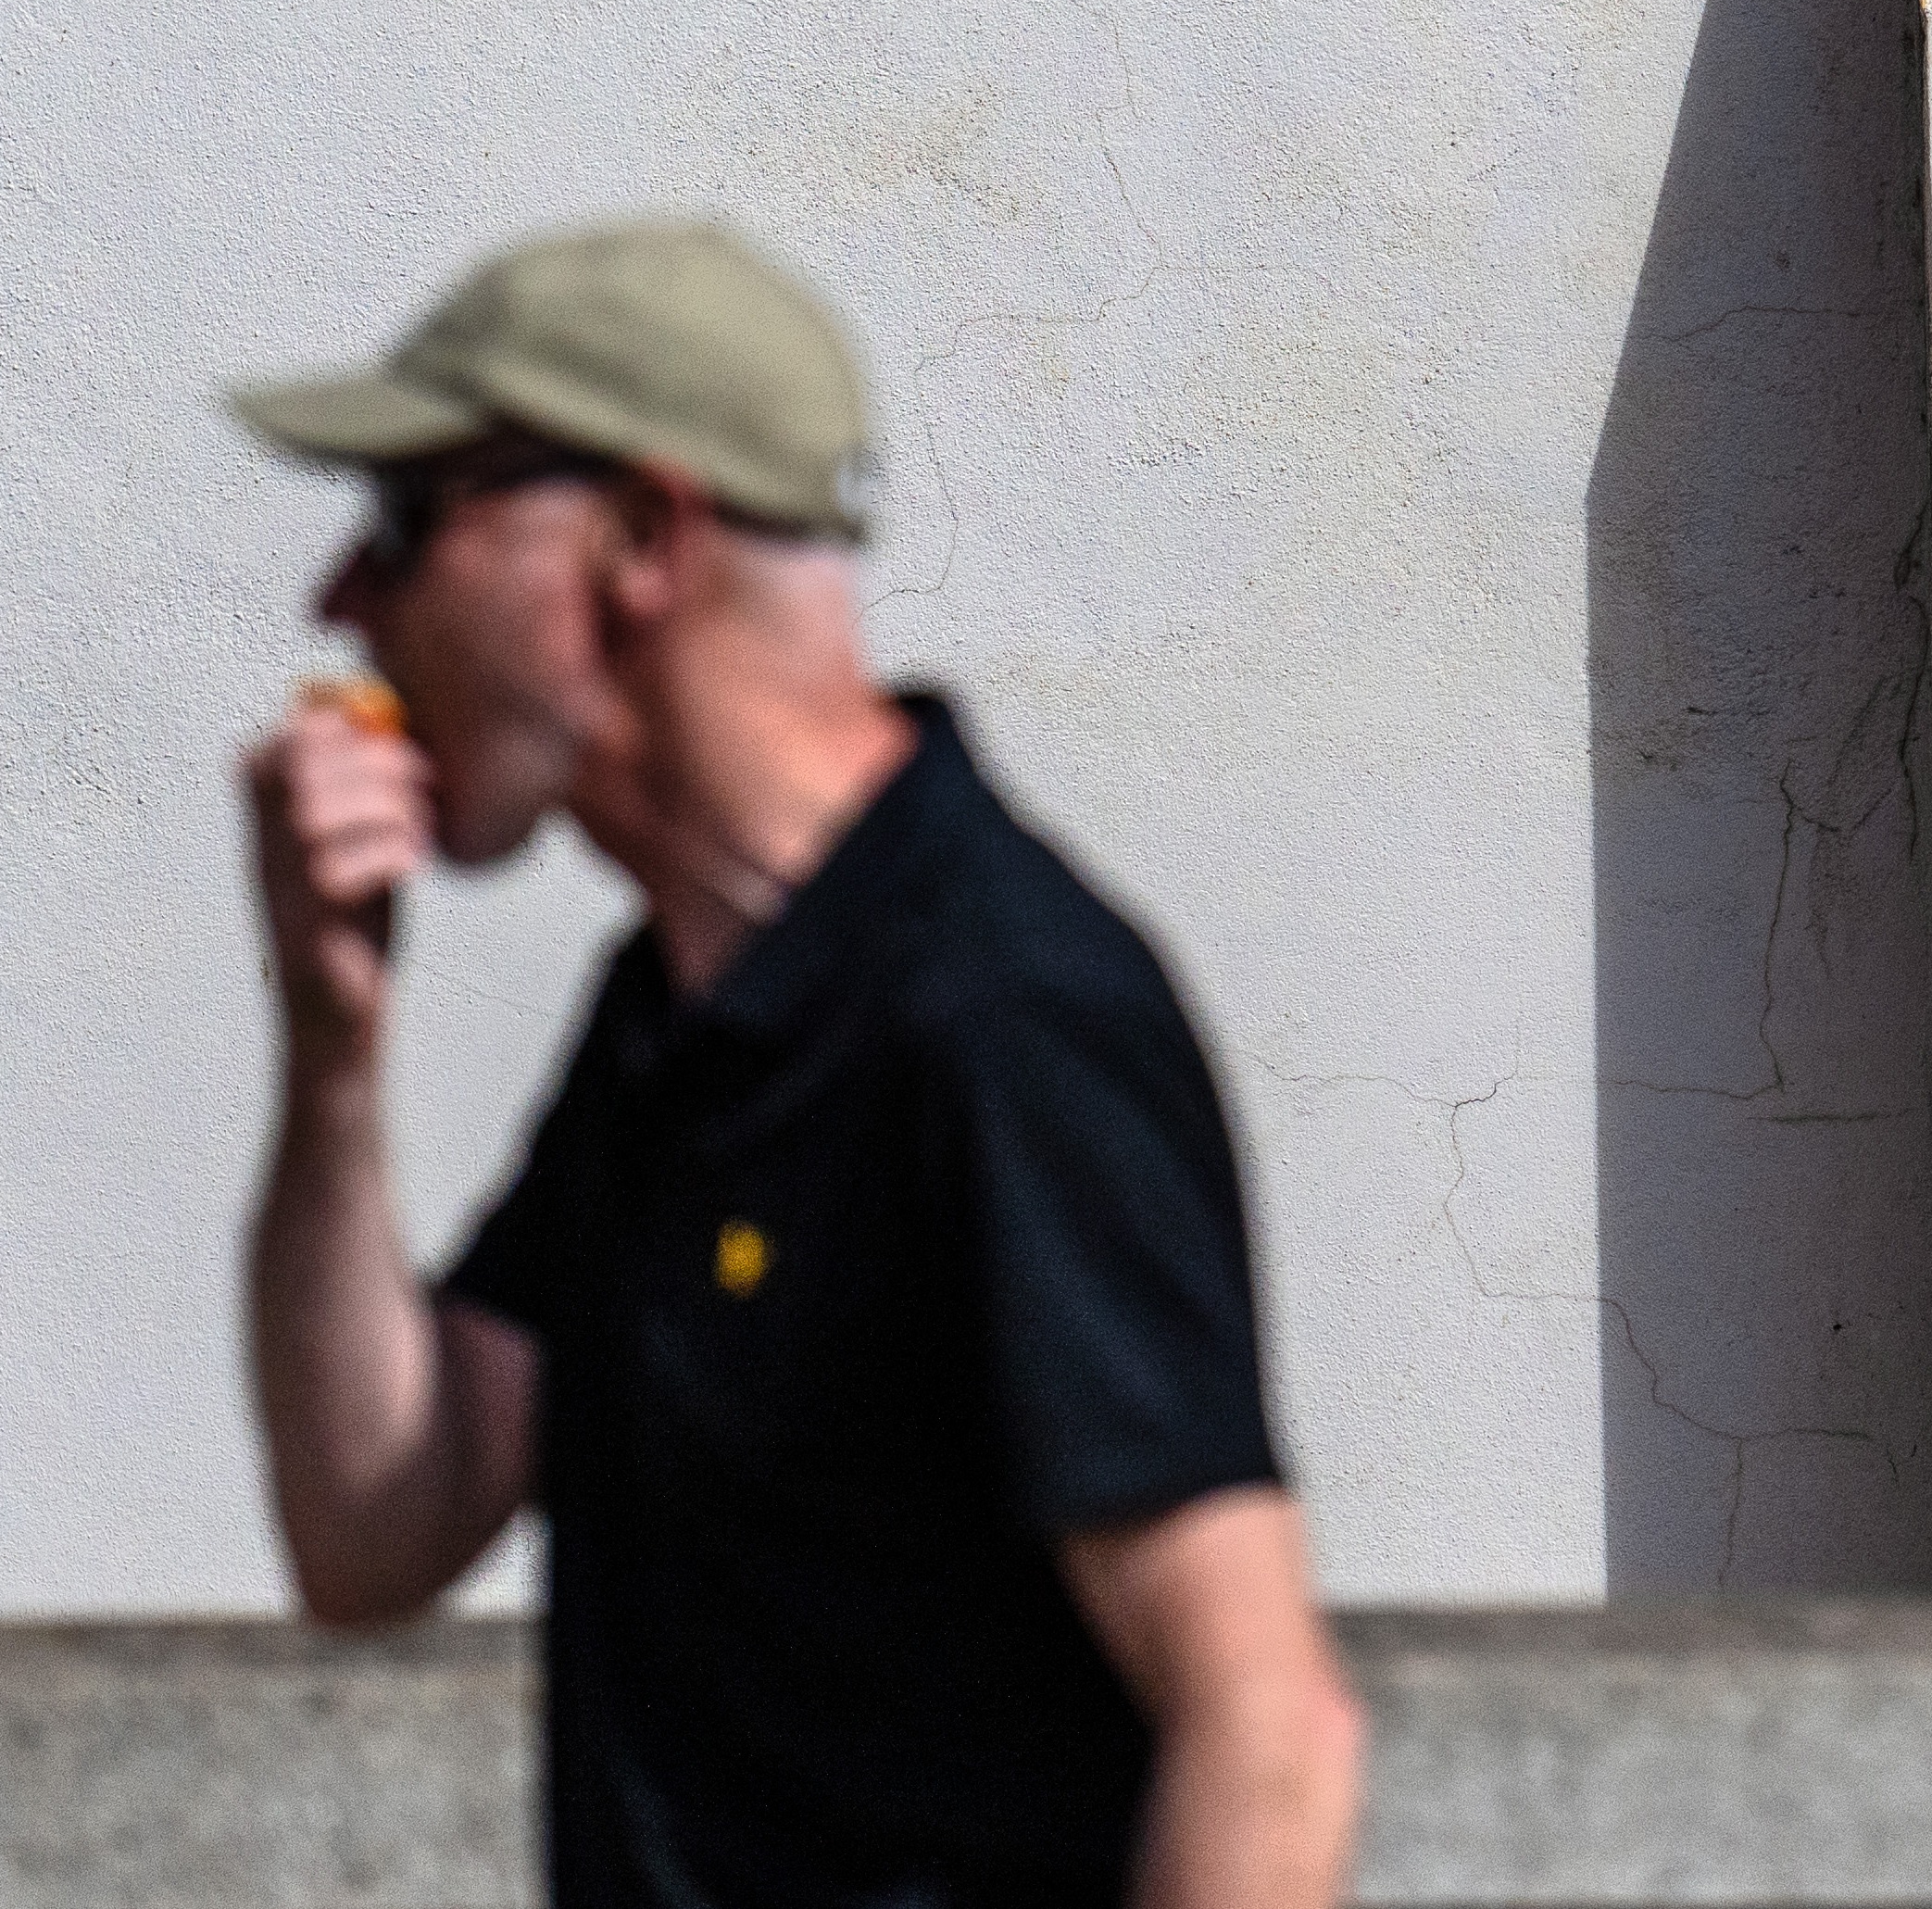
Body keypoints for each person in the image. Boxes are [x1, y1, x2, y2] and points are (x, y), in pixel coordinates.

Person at [231, 219, 1361, 1909]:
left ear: (635, 537)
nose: (341, 599)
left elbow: (1269, 1735)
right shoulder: (679, 1013)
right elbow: (379, 1530)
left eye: (409, 521)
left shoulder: (997, 1009)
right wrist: (334, 1058)